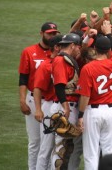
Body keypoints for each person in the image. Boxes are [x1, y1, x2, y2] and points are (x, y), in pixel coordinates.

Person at [76, 21, 112, 170]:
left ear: (94, 48)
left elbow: (85, 96)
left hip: (92, 112)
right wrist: (108, 33)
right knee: (109, 152)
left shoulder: (88, 68)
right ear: (108, 50)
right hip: (110, 112)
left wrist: (80, 116)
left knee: (91, 153)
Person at [18, 22, 59, 170]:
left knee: (48, 142)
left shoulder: (57, 52)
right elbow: (23, 79)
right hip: (32, 100)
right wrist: (22, 101)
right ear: (41, 33)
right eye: (49, 33)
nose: (52, 36)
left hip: (50, 102)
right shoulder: (29, 52)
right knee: (35, 141)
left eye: (54, 33)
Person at [51, 33, 83, 170]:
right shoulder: (60, 60)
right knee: (61, 148)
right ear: (72, 45)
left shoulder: (67, 59)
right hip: (64, 107)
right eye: (78, 47)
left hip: (69, 106)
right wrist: (66, 108)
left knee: (69, 147)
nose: (79, 50)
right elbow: (59, 86)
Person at [33, 34, 63, 170]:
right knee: (46, 149)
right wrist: (38, 109)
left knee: (58, 149)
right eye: (64, 45)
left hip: (60, 106)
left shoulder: (64, 62)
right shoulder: (46, 65)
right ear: (57, 48)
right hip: (49, 105)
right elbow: (37, 88)